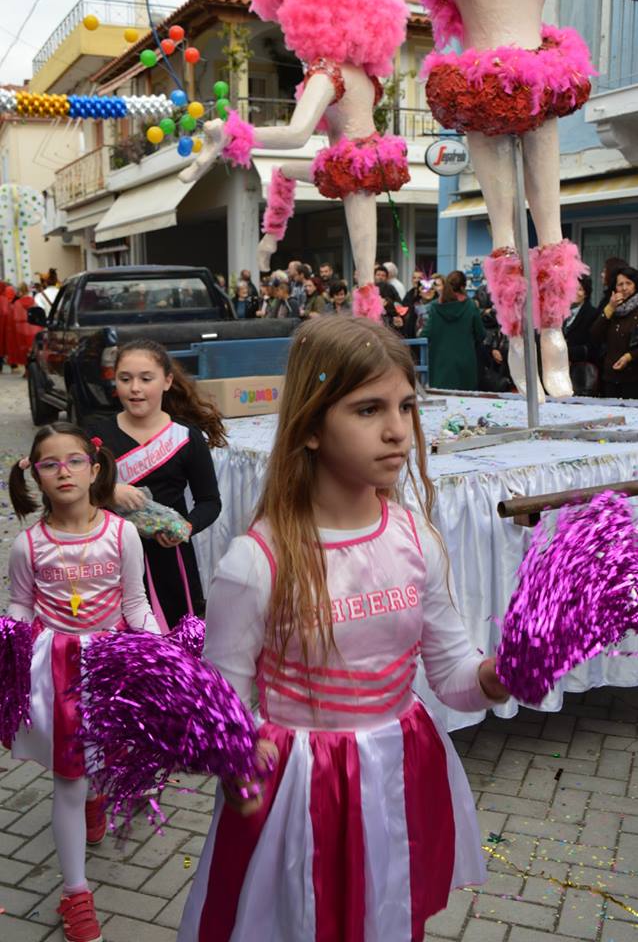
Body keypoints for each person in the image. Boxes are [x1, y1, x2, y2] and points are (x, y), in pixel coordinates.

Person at [177, 317, 509, 942]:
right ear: (308, 427)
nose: (397, 431)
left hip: (396, 772)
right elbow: (221, 708)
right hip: (299, 793)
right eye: (367, 409)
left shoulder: (415, 537)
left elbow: (455, 677)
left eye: (406, 406)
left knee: (386, 917)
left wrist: (503, 673)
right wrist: (236, 760)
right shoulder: (258, 561)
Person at [8, 422, 160, 942]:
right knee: (68, 778)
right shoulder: (27, 544)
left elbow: (136, 603)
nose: (63, 472)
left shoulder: (121, 534)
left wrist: (162, 656)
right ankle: (75, 894)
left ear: (95, 469)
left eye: (74, 461)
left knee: (107, 757)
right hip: (57, 672)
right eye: (50, 464)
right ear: (36, 477)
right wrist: (9, 642)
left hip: (113, 667)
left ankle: (98, 797)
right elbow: (21, 605)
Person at [180, 0, 410, 320]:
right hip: (362, 157)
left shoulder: (327, 73)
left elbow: (297, 134)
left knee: (364, 271)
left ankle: (368, 330)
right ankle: (270, 240)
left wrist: (237, 133)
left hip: (352, 166)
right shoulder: (364, 74)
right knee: (285, 173)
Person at [419, 0, 594, 399]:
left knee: (549, 225)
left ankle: (552, 334)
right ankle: (518, 337)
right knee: (504, 232)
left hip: (538, 77)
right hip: (476, 84)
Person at [89, 339, 224, 630]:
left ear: (167, 381)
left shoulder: (187, 437)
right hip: (111, 558)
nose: (134, 388)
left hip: (170, 560)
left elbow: (210, 502)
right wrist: (107, 491)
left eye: (145, 379)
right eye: (125, 379)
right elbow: (73, 493)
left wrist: (186, 528)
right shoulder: (95, 435)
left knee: (173, 645)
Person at [419, 271, 486, 390]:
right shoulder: (470, 306)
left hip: (440, 363)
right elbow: (481, 334)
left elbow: (426, 334)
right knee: (466, 403)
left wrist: (419, 332)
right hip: (466, 363)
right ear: (463, 287)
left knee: (443, 403)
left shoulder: (435, 307)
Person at [589, 267, 638, 399]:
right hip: (610, 376)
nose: (624, 288)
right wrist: (610, 308)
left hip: (633, 377)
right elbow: (595, 334)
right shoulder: (611, 308)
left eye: (628, 283)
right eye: (620, 284)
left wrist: (629, 357)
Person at [563, 274, 599, 396]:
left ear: (586, 293)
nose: (574, 292)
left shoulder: (592, 314)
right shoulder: (561, 313)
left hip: (581, 375)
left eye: (580, 289)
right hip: (560, 372)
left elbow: (593, 347)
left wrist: (566, 353)